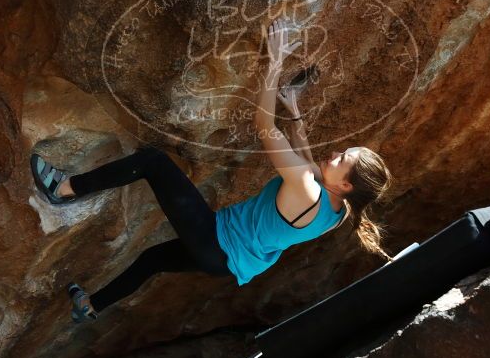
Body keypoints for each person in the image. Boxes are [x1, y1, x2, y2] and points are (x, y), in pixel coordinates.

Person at [30, 19, 393, 323]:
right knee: (152, 260)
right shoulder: (338, 211)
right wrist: (294, 109)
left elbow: (264, 124)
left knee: (153, 162)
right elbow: (306, 157)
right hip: (230, 262)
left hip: (215, 240)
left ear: (345, 183)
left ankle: (64, 188)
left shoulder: (306, 187)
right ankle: (90, 307)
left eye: (342, 157)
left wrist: (275, 61)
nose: (334, 153)